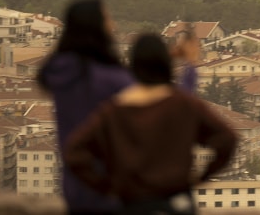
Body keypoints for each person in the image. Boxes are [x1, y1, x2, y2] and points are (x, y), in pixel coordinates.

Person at [64, 33, 238, 215]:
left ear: (133, 66)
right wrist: (201, 176)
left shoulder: (113, 110)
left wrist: (107, 187)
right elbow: (227, 139)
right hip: (175, 200)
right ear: (165, 63)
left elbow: (75, 153)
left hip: (132, 203)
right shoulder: (183, 104)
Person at [37, 0, 134, 215]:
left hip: (74, 181)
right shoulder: (111, 78)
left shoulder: (60, 71)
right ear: (95, 25)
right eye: (108, 18)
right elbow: (156, 108)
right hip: (111, 183)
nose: (113, 25)